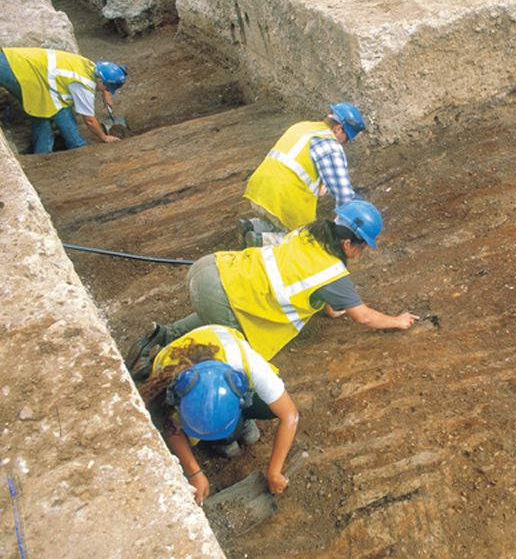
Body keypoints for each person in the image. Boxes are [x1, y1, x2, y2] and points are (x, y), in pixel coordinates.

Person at [127, 199, 418, 373]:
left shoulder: (311, 232)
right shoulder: (333, 273)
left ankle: (159, 336)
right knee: (234, 343)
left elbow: (312, 284)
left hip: (211, 268)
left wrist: (330, 309)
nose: (362, 252)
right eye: (363, 246)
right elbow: (364, 316)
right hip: (219, 294)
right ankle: (162, 365)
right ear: (346, 243)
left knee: (224, 310)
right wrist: (397, 321)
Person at [136, 324, 299, 505]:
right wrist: (193, 471)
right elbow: (170, 425)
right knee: (228, 439)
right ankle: (223, 436)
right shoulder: (168, 380)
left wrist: (274, 472)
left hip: (226, 358)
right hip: (192, 380)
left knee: (269, 408)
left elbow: (289, 415)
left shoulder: (248, 364)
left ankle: (239, 424)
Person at [239, 102, 366, 248]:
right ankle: (261, 241)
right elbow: (343, 195)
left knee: (282, 220)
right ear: (338, 129)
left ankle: (253, 226)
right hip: (281, 199)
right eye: (345, 139)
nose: (344, 144)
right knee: (310, 239)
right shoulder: (330, 145)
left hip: (258, 193)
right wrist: (352, 222)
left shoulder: (302, 127)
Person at [0, 47, 127, 153]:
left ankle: (42, 154)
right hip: (18, 70)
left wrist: (106, 93)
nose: (105, 90)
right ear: (100, 80)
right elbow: (89, 120)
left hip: (15, 58)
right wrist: (104, 137)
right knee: (60, 109)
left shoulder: (90, 67)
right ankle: (78, 146)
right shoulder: (84, 86)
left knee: (42, 110)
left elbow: (102, 81)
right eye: (107, 87)